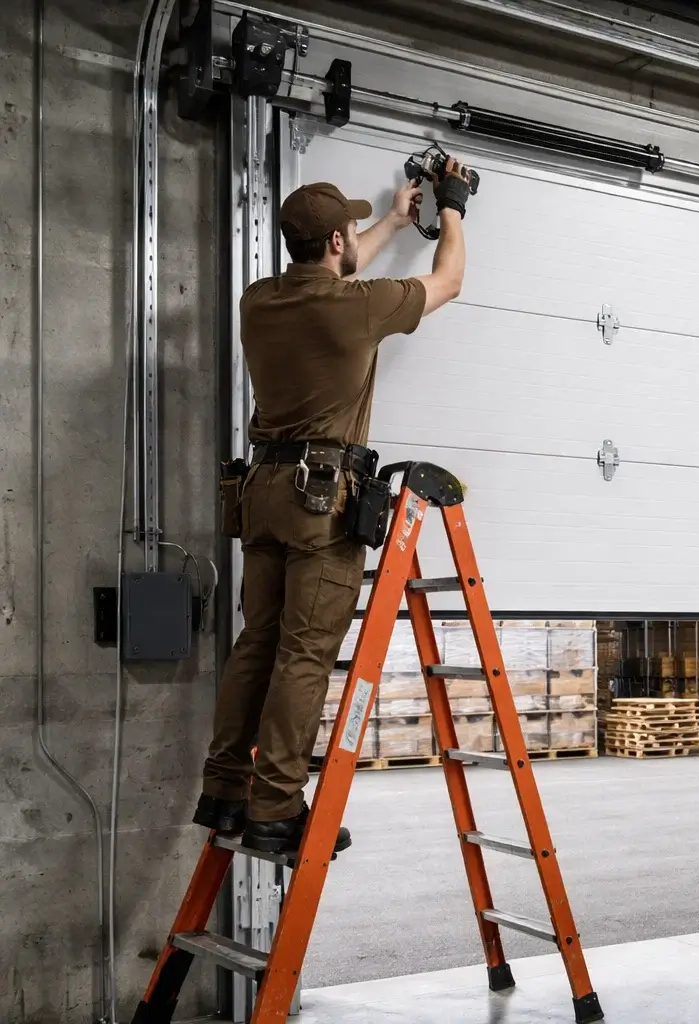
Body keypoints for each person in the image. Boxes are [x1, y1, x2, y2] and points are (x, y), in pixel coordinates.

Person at [193, 159, 474, 854]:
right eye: (350, 230)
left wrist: (392, 220)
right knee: (303, 654)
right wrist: (454, 209)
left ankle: (225, 791)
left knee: (257, 641)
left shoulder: (259, 301)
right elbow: (450, 281)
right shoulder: (358, 305)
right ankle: (276, 807)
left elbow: (336, 273)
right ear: (338, 244)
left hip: (259, 495)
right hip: (320, 501)